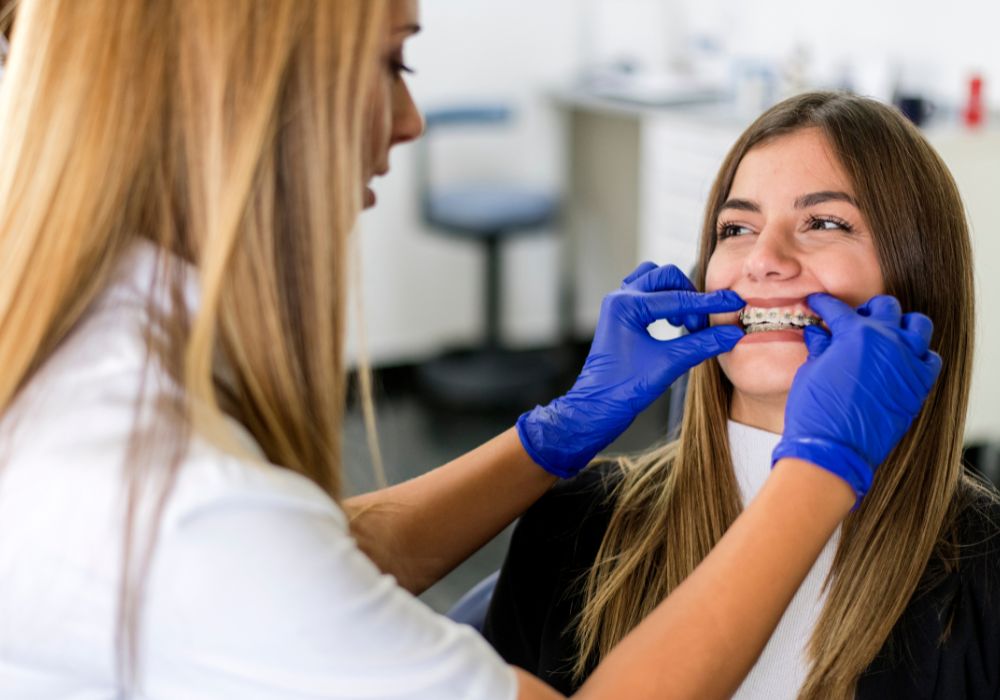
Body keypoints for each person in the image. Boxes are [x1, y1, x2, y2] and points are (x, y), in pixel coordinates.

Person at [0, 2, 940, 698]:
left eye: (821, 222)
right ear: (244, 89)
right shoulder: (179, 497)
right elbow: (249, 555)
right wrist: (820, 471)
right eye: (390, 64)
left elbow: (308, 555)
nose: (409, 122)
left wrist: (552, 435)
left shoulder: (109, 387)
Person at [484, 91, 1000, 699]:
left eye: (825, 222)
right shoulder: (573, 526)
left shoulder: (987, 572)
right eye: (736, 227)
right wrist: (557, 432)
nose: (762, 259)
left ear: (918, 276)